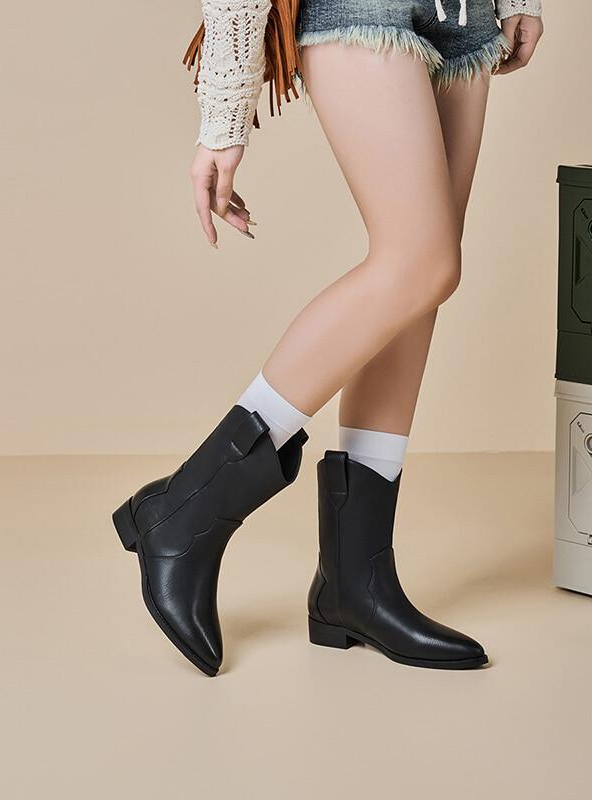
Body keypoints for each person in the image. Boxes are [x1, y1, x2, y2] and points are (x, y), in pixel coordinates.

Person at [112, 0, 543, 676]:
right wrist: (223, 117)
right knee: (420, 261)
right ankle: (187, 508)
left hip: (466, 12)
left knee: (421, 283)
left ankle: (355, 583)